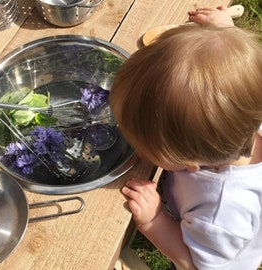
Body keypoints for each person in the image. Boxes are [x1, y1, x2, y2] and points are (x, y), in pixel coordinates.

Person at [109, 6, 262, 270]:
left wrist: (154, 221)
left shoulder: (218, 212)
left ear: (187, 162)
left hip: (216, 255)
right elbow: (237, 74)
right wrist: (224, 32)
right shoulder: (246, 109)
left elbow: (194, 264)